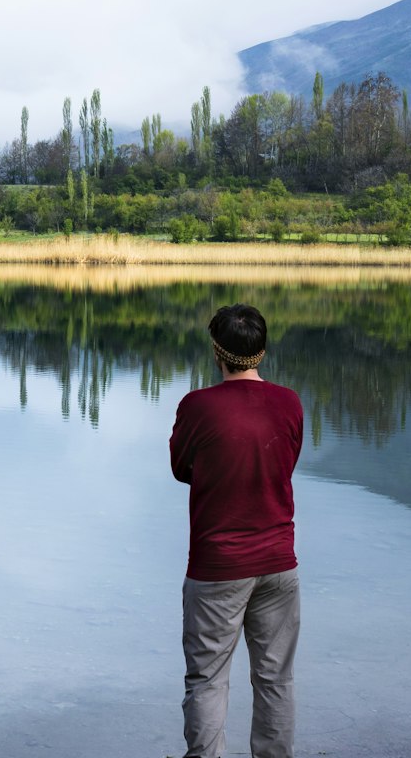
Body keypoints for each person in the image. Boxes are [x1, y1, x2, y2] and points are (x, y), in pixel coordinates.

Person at [168, 303, 303, 758]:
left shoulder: (197, 406)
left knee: (207, 678)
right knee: (275, 679)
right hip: (279, 563)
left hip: (218, 567)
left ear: (217, 352)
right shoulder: (290, 402)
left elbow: (181, 468)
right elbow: (284, 464)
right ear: (262, 352)